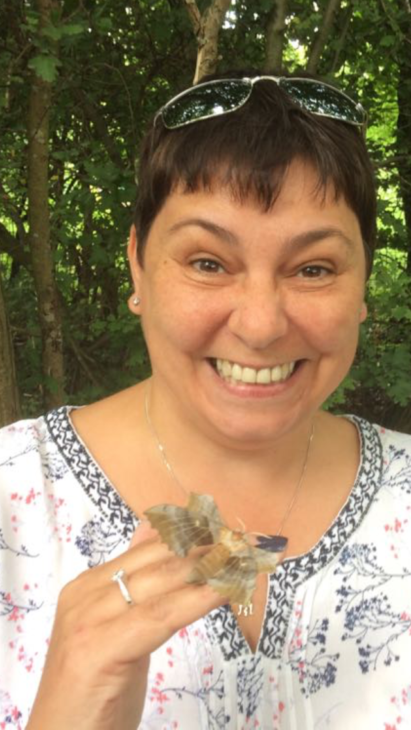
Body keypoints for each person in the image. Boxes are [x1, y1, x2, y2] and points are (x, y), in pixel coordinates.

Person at [1, 69, 411, 730]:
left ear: (362, 281)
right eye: (207, 262)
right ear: (136, 265)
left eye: (312, 269)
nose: (259, 324)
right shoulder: (14, 497)